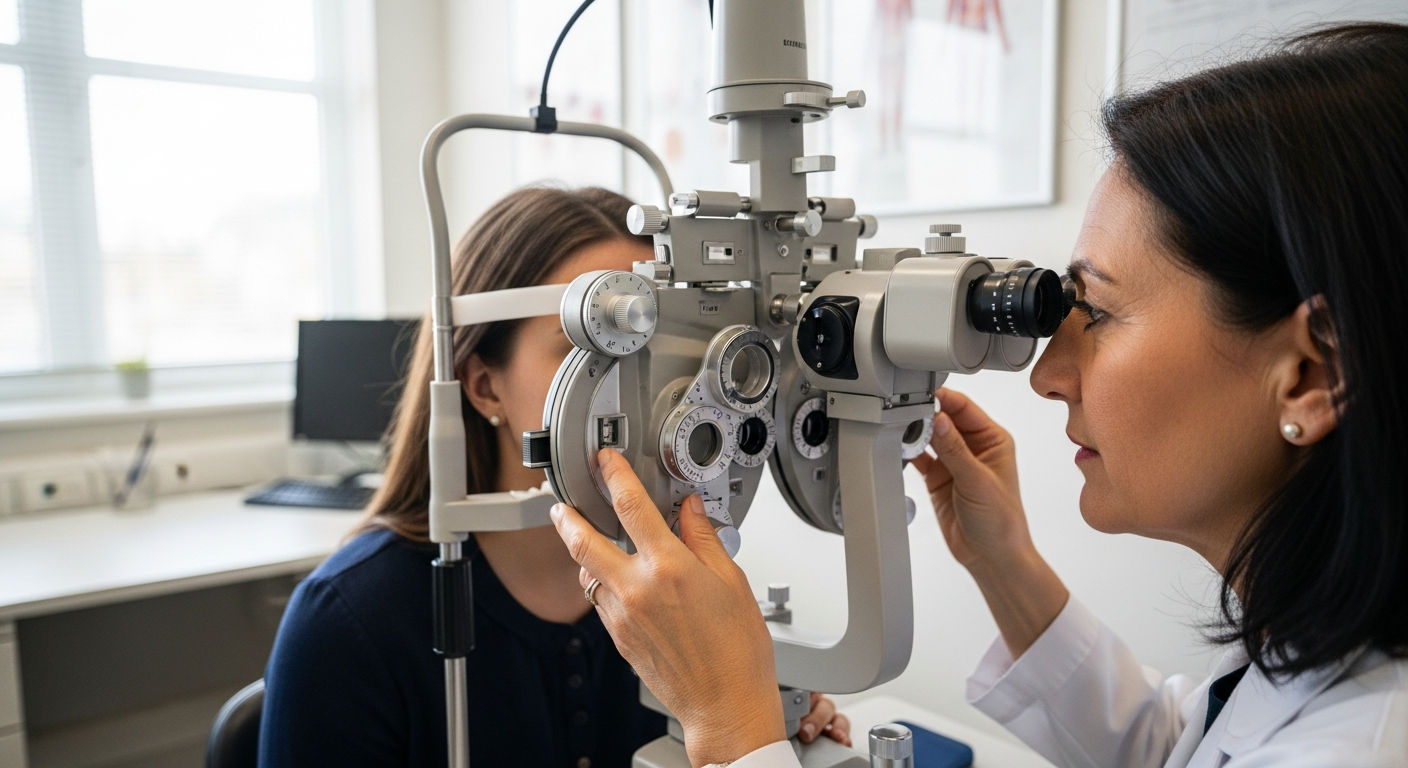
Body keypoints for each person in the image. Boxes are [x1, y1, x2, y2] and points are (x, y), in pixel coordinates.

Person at [547, 24, 1408, 768]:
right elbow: (1174, 746)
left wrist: (731, 727)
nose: (1046, 374)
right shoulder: (1312, 666)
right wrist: (1005, 563)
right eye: (1058, 309)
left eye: (1098, 313)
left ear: (1308, 374)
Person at [258, 186, 852, 767]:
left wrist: (761, 729)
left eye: (663, 345)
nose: (650, 392)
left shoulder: (683, 597)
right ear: (484, 386)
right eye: (600, 345)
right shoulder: (346, 625)